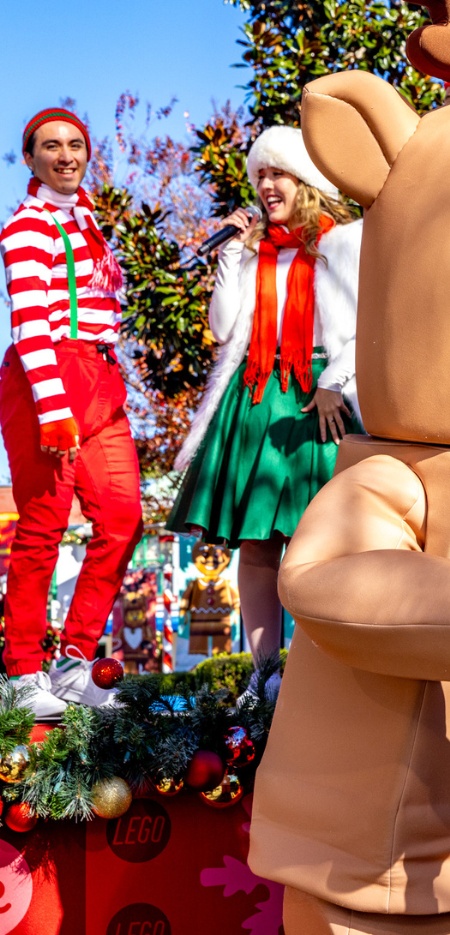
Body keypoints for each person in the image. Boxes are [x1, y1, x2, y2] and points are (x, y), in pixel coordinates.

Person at [169, 125, 362, 696]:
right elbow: (223, 328)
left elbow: (365, 325)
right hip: (255, 398)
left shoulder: (343, 244)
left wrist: (335, 382)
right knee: (257, 547)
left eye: (277, 172)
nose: (266, 185)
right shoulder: (253, 253)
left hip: (315, 402)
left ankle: (316, 671)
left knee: (316, 544)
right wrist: (230, 252)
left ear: (305, 179)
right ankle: (265, 673)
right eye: (259, 175)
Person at [0, 108, 144, 718]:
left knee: (123, 515)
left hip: (98, 376)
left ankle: (75, 661)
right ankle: (23, 673)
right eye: (50, 146)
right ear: (30, 159)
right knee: (42, 527)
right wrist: (53, 410)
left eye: (76, 144)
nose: (66, 154)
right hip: (45, 380)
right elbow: (32, 326)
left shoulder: (87, 222)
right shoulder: (25, 227)